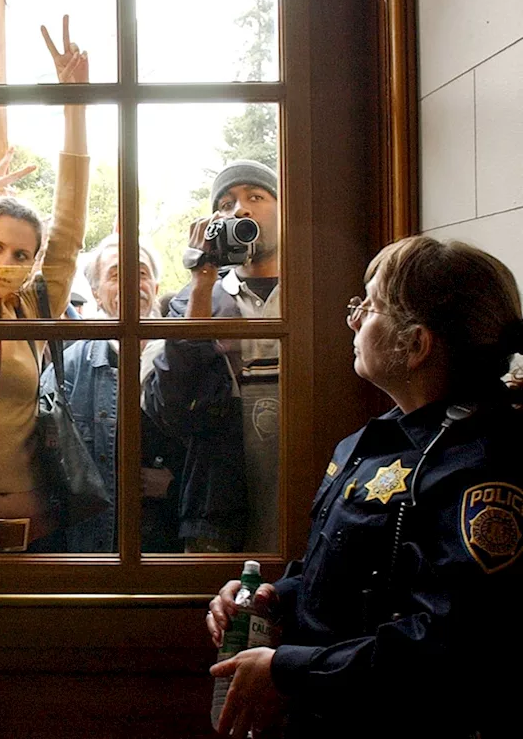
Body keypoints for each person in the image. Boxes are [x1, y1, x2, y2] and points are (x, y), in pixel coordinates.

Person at [206, 236, 523, 738]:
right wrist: (275, 596)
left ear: (415, 345)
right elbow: (353, 575)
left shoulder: (482, 467)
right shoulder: (376, 441)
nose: (353, 319)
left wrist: (287, 669)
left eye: (370, 306)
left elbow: (449, 641)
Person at [0, 16, 89, 553]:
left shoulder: (36, 305)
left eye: (21, 254)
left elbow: (68, 223)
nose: (7, 261)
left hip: (36, 535)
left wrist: (76, 106)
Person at [142, 159, 281, 552]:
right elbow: (170, 409)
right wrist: (202, 283)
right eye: (225, 204)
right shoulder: (191, 302)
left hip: (303, 489)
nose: (240, 209)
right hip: (217, 510)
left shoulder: (312, 291)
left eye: (256, 196)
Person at [40, 235, 185, 552]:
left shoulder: (186, 359)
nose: (133, 282)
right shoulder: (69, 371)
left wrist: (175, 488)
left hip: (174, 552)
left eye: (142, 273)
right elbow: (46, 471)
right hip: (97, 551)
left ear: (156, 288)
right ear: (95, 293)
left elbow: (215, 458)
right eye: (117, 274)